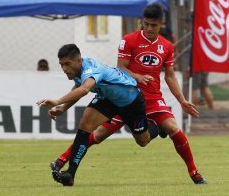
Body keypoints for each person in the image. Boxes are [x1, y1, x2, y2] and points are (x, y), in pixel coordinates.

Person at [50, 4, 207, 185]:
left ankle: (194, 172)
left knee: (171, 129)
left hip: (153, 99)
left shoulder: (166, 46)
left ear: (160, 24)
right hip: (124, 96)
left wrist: (182, 101)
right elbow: (121, 67)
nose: (148, 28)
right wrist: (138, 76)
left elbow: (170, 76)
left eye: (153, 25)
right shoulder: (129, 40)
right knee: (98, 134)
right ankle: (63, 160)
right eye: (146, 24)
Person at [37, 44, 159, 186]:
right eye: (61, 64)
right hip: (108, 99)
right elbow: (78, 86)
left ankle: (157, 127)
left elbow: (84, 89)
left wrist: (57, 101)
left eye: (67, 64)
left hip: (131, 100)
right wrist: (62, 108)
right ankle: (70, 173)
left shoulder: (91, 69)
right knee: (85, 125)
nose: (64, 69)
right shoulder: (77, 70)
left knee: (143, 141)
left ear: (78, 61)